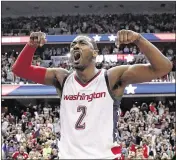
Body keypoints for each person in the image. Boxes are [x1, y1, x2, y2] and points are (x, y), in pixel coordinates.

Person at [12, 30, 172, 159]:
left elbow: (163, 67)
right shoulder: (62, 78)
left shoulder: (111, 77)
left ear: (95, 53)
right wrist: (31, 45)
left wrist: (138, 39)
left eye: (82, 43)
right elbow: (19, 70)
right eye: (73, 44)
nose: (75, 46)